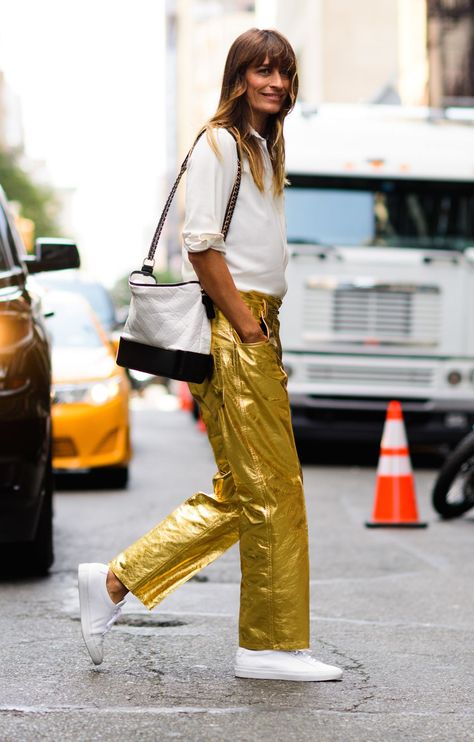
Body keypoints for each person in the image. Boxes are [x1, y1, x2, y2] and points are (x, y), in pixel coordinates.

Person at [78, 28, 343, 683]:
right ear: (238, 77)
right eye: (262, 71)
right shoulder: (220, 143)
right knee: (275, 490)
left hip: (256, 323)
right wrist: (248, 328)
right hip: (236, 326)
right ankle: (269, 647)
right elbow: (202, 247)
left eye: (283, 72)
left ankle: (114, 583)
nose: (275, 82)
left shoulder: (261, 145)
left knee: (244, 491)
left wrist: (264, 326)